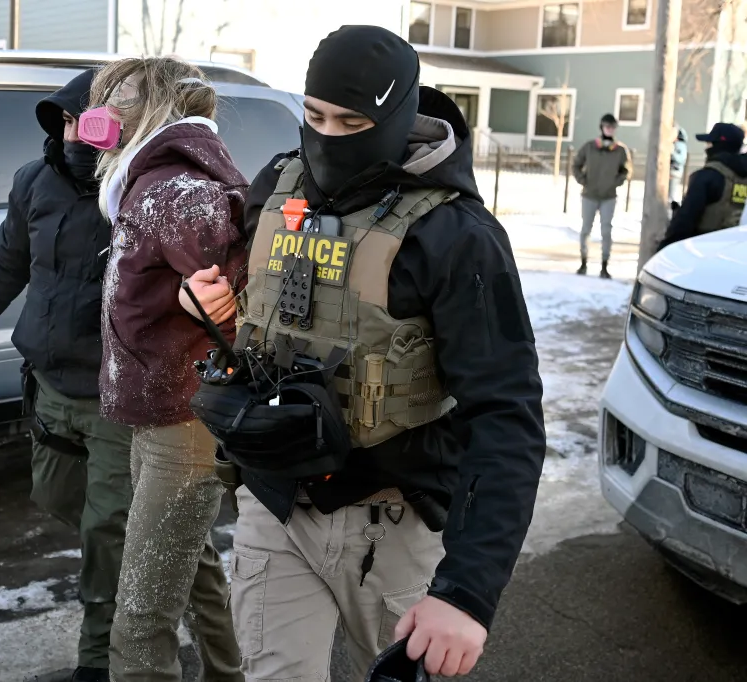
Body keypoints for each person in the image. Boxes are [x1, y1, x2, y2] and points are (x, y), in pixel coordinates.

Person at [187, 25, 546, 681]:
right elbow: (264, 297)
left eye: (351, 121)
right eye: (314, 114)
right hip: (276, 508)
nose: (326, 135)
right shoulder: (278, 185)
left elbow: (508, 413)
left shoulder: (455, 234)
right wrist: (212, 303)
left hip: (393, 524)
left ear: (397, 115)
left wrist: (467, 593)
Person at [0, 69, 132, 682]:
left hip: (114, 394)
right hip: (50, 383)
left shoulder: (140, 187)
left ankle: (98, 657)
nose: (73, 134)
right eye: (65, 123)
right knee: (61, 498)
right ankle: (155, 561)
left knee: (107, 527)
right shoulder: (35, 182)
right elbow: (5, 264)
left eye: (85, 123)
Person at [81, 57, 246, 682]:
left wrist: (209, 302)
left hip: (186, 420)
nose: (98, 118)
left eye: (110, 101)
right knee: (194, 567)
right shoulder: (151, 181)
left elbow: (240, 293)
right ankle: (233, 674)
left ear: (147, 108)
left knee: (142, 615)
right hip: (165, 413)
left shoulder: (176, 189)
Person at [658, 122, 747, 251]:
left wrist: (665, 249)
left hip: (703, 249)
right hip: (737, 252)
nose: (706, 147)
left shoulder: (707, 176)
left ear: (716, 146)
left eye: (709, 143)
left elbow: (685, 220)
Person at [572, 113, 630, 278]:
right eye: (607, 126)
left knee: (606, 230)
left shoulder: (620, 150)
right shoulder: (590, 147)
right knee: (585, 229)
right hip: (589, 195)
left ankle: (604, 266)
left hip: (608, 197)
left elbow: (626, 170)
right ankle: (583, 263)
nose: (609, 130)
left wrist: (616, 182)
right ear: (602, 127)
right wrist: (583, 180)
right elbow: (576, 164)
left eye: (612, 127)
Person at [670, 126, 688, 211]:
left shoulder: (680, 145)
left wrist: (672, 153)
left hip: (674, 172)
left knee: (670, 195)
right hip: (672, 172)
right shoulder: (676, 144)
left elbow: (680, 158)